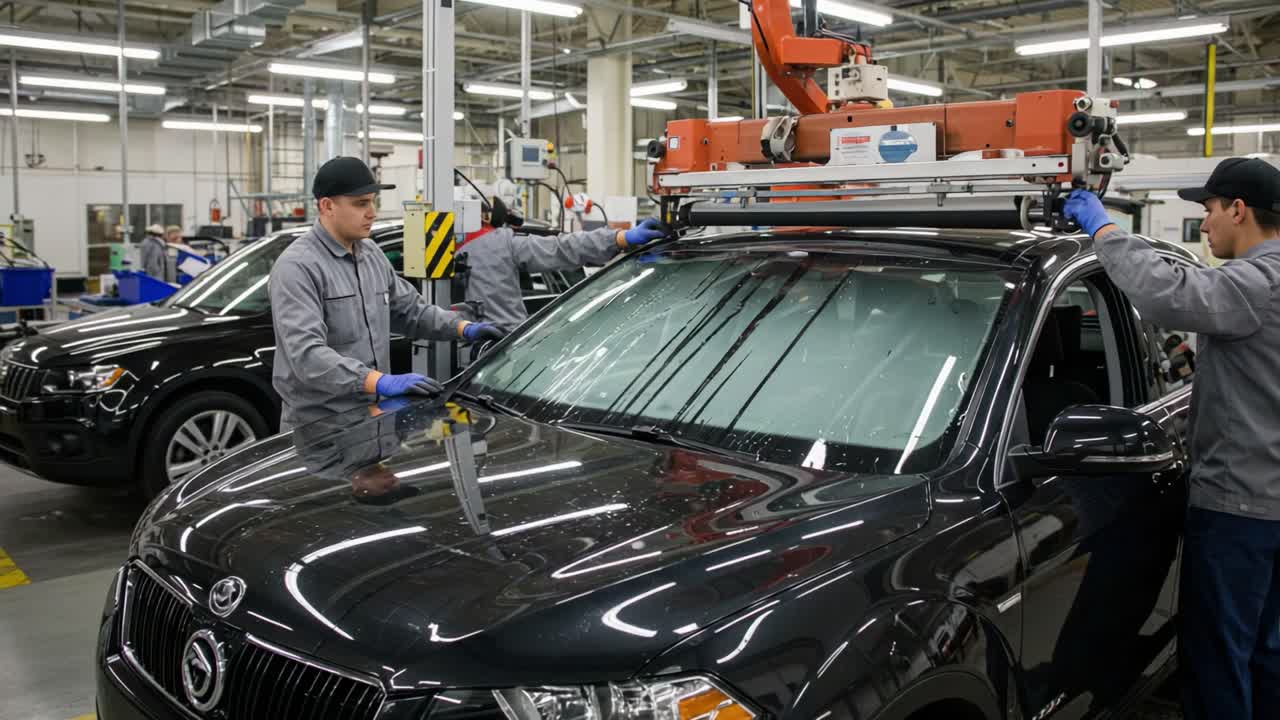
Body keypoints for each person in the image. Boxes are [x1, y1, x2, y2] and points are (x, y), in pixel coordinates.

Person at [1063, 156, 1280, 720]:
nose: (1204, 226)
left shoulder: (1257, 282)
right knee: (1267, 650)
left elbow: (1167, 294)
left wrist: (1105, 229)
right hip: (1269, 500)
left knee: (1218, 654)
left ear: (1238, 209)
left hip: (1244, 508)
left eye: (1208, 210)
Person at [270, 156, 505, 431]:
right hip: (320, 426)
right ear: (327, 206)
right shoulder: (297, 267)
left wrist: (464, 328)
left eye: (372, 202)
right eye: (361, 204)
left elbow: (409, 311)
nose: (372, 212)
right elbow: (307, 356)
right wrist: (379, 381)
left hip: (373, 417)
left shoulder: (370, 254)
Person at [457, 207, 668, 332]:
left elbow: (560, 249)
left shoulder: (486, 244)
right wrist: (620, 238)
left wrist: (619, 238)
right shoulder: (495, 244)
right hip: (496, 351)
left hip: (484, 353)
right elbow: (560, 248)